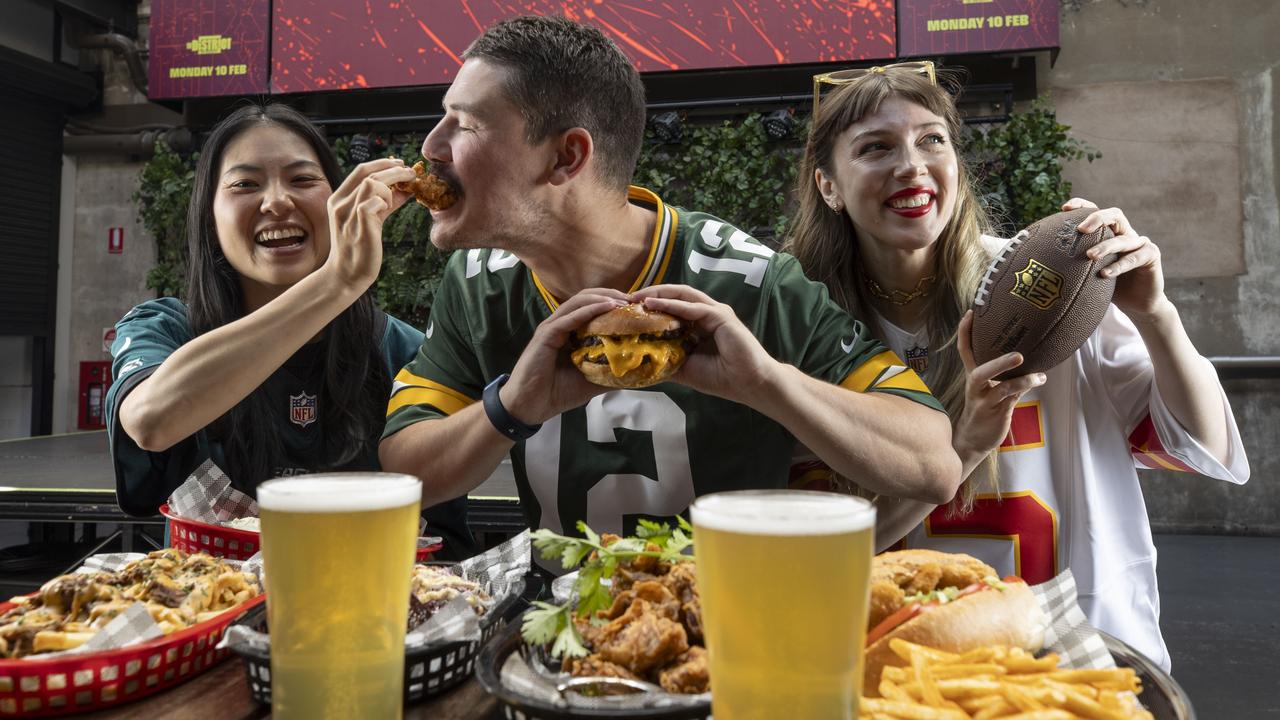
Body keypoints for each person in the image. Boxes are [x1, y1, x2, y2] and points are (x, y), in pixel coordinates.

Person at [377, 16, 962, 557]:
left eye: (466, 124)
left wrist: (766, 384)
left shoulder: (753, 282)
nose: (431, 146)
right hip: (558, 640)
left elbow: (932, 462)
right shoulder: (477, 282)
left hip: (728, 632)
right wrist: (512, 407)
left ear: (565, 157)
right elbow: (406, 475)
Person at [782, 61, 1249, 669]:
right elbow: (809, 555)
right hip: (892, 667)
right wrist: (966, 446)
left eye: (932, 139)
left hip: (1071, 661)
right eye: (876, 148)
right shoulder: (799, 319)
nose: (912, 164)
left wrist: (1156, 313)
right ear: (829, 186)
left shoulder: (1051, 288)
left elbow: (1199, 446)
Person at [106, 103, 475, 558]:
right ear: (209, 216)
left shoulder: (406, 352)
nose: (277, 201)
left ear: (339, 201)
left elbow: (444, 537)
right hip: (202, 615)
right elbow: (150, 421)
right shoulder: (163, 329)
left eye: (302, 180)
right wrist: (337, 282)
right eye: (245, 184)